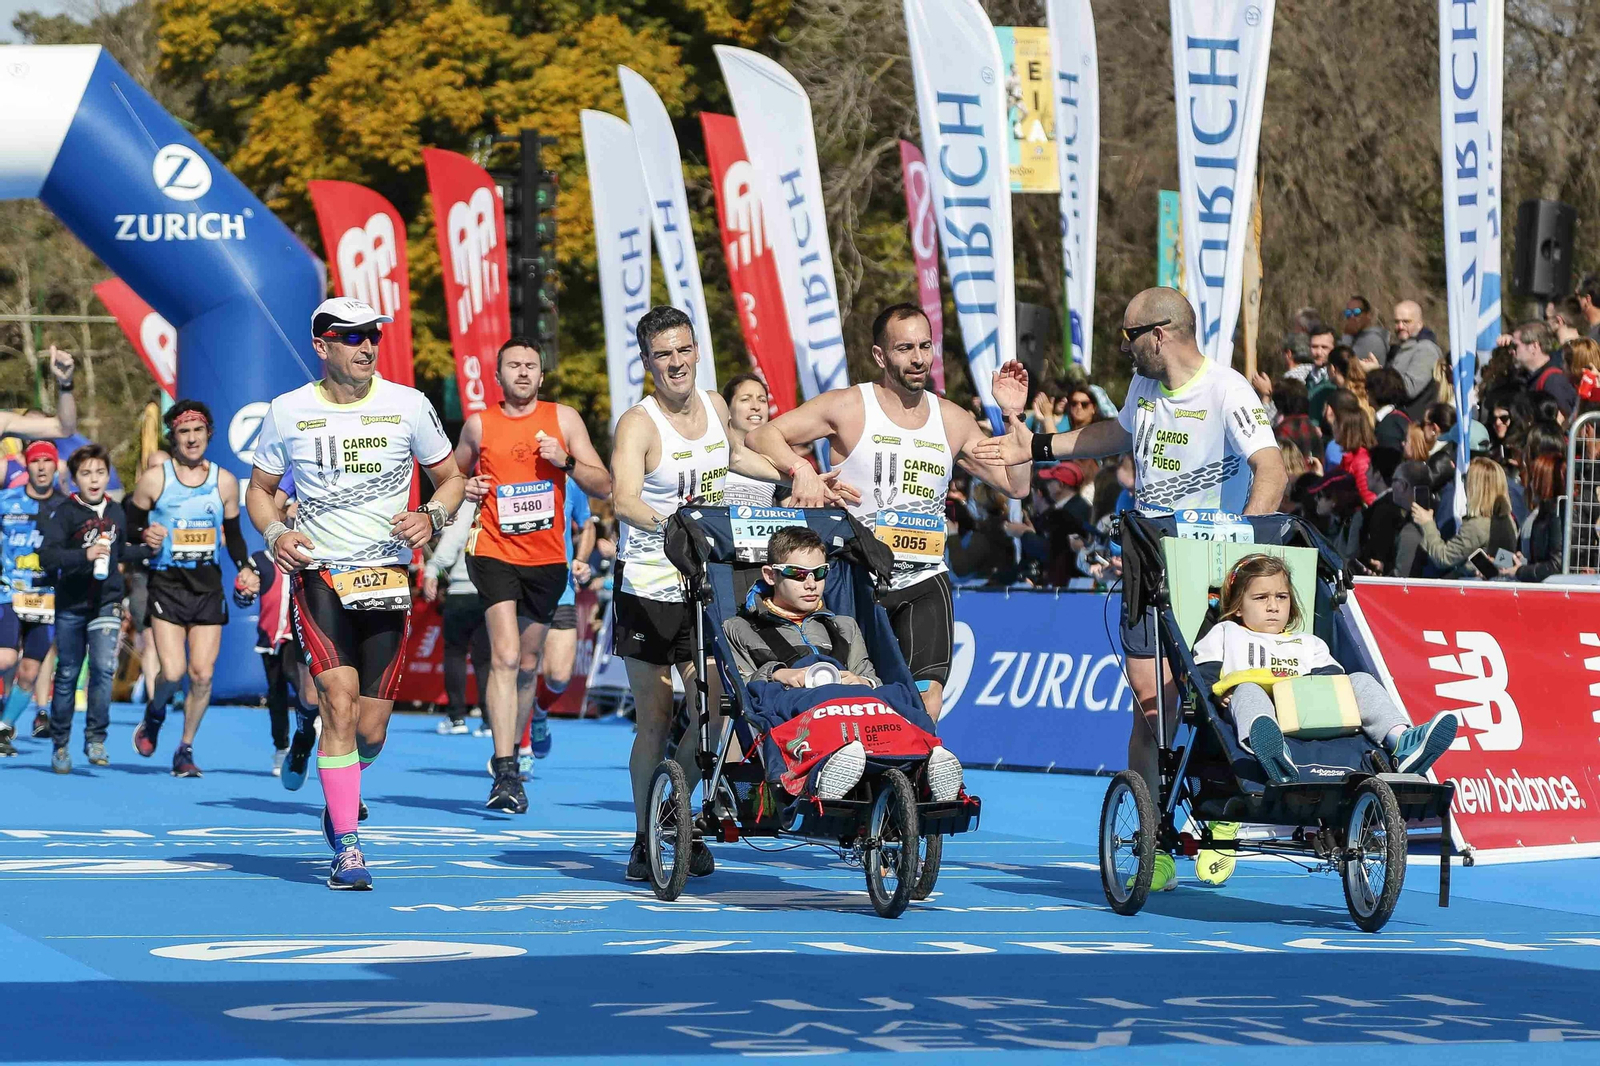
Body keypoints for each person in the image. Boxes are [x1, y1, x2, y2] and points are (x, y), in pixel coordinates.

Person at [975, 286, 1286, 892]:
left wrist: (1243, 552)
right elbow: (1113, 436)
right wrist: (1037, 446)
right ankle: (1154, 836)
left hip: (1213, 566)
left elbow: (1271, 470)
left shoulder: (1226, 390)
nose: (1123, 349)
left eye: (1128, 336)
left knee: (1216, 699)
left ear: (1160, 335)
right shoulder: (1145, 386)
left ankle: (1221, 815)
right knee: (1152, 708)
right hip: (1147, 560)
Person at [245, 295, 465, 891]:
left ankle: (336, 781)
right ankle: (347, 844)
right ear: (322, 346)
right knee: (337, 702)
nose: (367, 346)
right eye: (352, 336)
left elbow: (451, 479)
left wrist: (431, 517)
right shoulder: (288, 411)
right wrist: (275, 532)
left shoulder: (408, 405)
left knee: (370, 732)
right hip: (320, 574)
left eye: (374, 335)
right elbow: (260, 490)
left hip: (387, 578)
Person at [748, 303, 1032, 721]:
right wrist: (801, 469)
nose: (918, 358)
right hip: (857, 575)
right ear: (880, 356)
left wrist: (1013, 416)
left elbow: (1016, 483)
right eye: (905, 348)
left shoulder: (951, 419)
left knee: (926, 700)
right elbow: (762, 435)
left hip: (923, 578)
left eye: (925, 346)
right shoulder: (848, 406)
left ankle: (917, 766)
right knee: (850, 697)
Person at [611, 306, 803, 882]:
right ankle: (645, 837)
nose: (676, 362)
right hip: (649, 584)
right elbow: (624, 499)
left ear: (697, 350)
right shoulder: (638, 424)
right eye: (663, 354)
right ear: (647, 362)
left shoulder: (717, 406)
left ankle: (672, 813)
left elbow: (735, 456)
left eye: (683, 349)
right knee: (655, 717)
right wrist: (674, 530)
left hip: (706, 585)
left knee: (716, 708)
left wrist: (795, 476)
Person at [454, 337, 611, 814]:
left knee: (527, 664)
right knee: (504, 656)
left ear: (541, 376)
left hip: (546, 561)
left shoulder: (564, 419)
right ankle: (506, 770)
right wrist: (467, 486)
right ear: (497, 375)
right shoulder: (479, 425)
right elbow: (448, 479)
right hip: (494, 551)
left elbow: (604, 484)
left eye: (530, 366)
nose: (522, 372)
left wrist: (566, 461)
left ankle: (518, 744)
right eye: (513, 365)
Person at [722, 525, 961, 803]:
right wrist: (779, 674)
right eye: (798, 574)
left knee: (898, 694)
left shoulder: (844, 626)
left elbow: (871, 678)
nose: (811, 584)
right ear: (770, 575)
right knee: (769, 697)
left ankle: (924, 767)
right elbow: (743, 687)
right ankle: (823, 774)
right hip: (799, 711)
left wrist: (861, 681)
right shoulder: (738, 628)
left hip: (852, 710)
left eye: (819, 573)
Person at [1195, 554, 1459, 784]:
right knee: (1248, 691)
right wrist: (1217, 697)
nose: (1273, 606)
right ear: (1238, 607)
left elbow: (1333, 682)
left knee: (1359, 680)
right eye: (1261, 598)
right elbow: (1202, 676)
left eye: (1281, 597)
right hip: (1254, 706)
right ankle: (1274, 752)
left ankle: (1401, 741)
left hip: (1306, 708)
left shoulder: (1307, 642)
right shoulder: (1225, 632)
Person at [127, 400, 257, 777]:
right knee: (173, 672)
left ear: (208, 434)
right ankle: (154, 715)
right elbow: (129, 527)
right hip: (167, 584)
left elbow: (234, 537)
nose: (192, 438)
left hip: (207, 587)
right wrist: (145, 535)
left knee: (201, 674)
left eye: (198, 430)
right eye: (184, 432)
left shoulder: (224, 481)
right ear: (174, 437)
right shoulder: (155, 480)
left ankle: (185, 748)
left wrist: (245, 568)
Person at [38, 443, 150, 773]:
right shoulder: (66, 512)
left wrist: (149, 548)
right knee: (68, 673)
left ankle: (96, 738)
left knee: (102, 668)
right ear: (75, 479)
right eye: (86, 474)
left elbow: (121, 552)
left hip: (107, 602)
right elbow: (48, 556)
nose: (94, 479)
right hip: (71, 605)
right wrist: (83, 556)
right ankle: (60, 743)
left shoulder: (115, 511)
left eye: (100, 472)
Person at [0, 441, 65, 758]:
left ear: (55, 467)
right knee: (5, 659)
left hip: (46, 600)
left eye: (47, 461)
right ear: (27, 466)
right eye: (35, 461)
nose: (41, 466)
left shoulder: (66, 507)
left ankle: (3, 729)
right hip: (9, 593)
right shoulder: (6, 501)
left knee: (29, 672)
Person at [528, 487, 597, 762]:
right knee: (520, 671)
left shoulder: (570, 479)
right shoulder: (509, 472)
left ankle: (539, 712)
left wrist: (581, 559)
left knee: (558, 677)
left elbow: (587, 523)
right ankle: (515, 751)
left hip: (560, 591)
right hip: (517, 589)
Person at [423, 500, 489, 736]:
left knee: (455, 653)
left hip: (462, 589)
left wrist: (432, 570)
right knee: (486, 659)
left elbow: (451, 544)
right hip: (492, 591)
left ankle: (456, 716)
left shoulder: (468, 506)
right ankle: (490, 720)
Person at [1412, 456, 1517, 576]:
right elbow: (1505, 559)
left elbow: (1443, 558)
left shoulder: (1477, 526)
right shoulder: (1508, 519)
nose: (1464, 484)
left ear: (1475, 487)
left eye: (1466, 478)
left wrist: (1427, 523)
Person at [721, 374, 778, 507]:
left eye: (762, 400)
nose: (756, 407)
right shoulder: (711, 453)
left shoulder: (777, 460)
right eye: (745, 399)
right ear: (726, 410)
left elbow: (794, 513)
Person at [1507, 321, 1578, 417]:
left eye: (1515, 346)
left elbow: (1566, 419)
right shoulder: (1526, 377)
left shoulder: (1553, 380)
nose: (1511, 351)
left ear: (1534, 347)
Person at [1386, 300, 1442, 422]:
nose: (1400, 327)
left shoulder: (1426, 350)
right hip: (1398, 420)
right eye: (1397, 322)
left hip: (1414, 423)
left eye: (1406, 322)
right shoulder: (1400, 349)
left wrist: (1377, 373)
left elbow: (1409, 389)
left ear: (1419, 324)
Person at [1339, 296, 1388, 366]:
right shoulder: (1357, 336)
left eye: (1356, 312)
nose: (1352, 317)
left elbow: (1342, 363)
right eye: (1348, 313)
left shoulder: (1372, 339)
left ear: (1368, 315)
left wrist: (1347, 334)